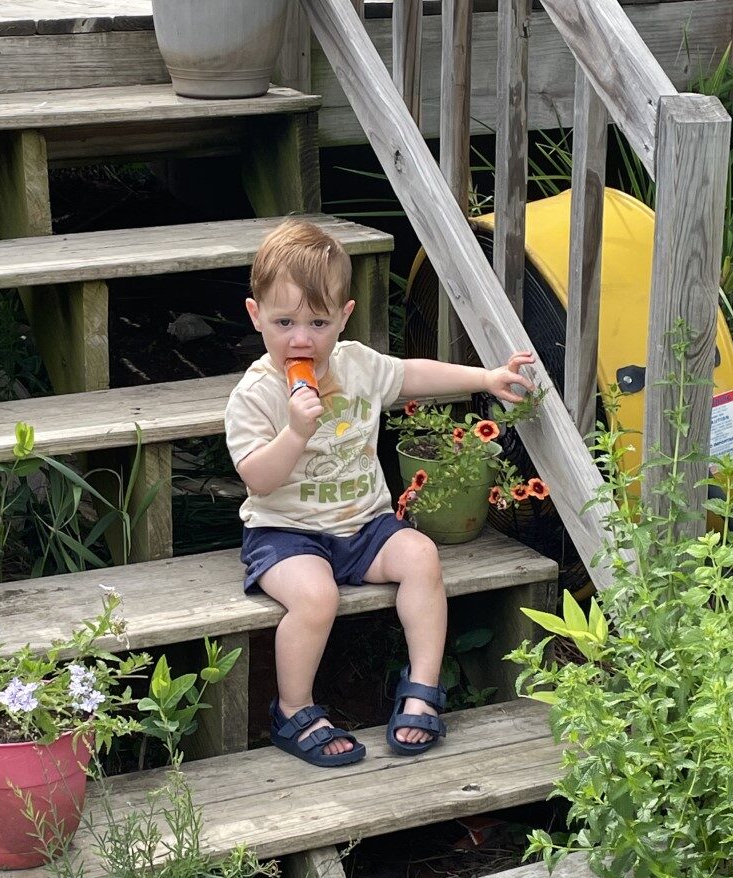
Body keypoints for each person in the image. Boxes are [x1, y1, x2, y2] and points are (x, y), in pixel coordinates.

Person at [224, 219, 535, 767]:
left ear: (343, 317)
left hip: (364, 526)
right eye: (284, 321)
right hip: (285, 534)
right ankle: (293, 709)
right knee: (316, 597)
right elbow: (258, 479)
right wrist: (295, 431)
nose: (301, 338)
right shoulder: (256, 393)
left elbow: (412, 375)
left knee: (420, 555)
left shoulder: (357, 365)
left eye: (318, 322)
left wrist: (484, 380)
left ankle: (421, 686)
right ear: (256, 317)